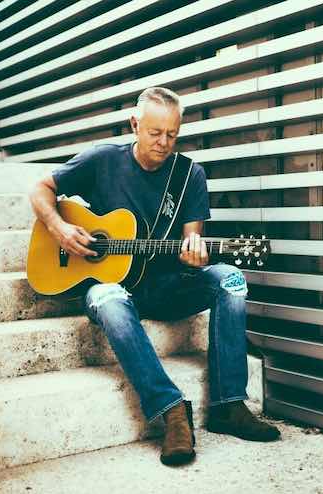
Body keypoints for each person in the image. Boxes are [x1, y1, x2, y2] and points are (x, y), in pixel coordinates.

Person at [29, 86, 280, 466]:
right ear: (135, 124)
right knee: (110, 300)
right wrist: (59, 228)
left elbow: (192, 239)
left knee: (230, 277)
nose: (164, 143)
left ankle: (229, 404)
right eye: (155, 133)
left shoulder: (188, 175)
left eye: (173, 135)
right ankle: (171, 410)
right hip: (111, 287)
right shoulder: (102, 161)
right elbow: (41, 188)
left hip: (166, 287)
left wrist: (195, 255)